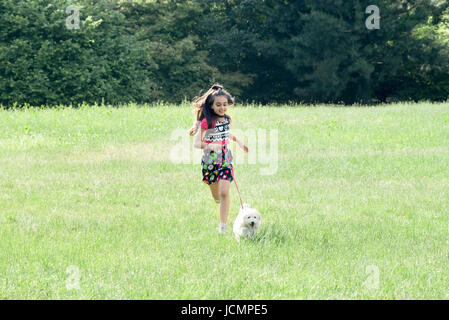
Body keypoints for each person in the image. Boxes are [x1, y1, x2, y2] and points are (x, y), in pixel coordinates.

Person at [191, 83, 249, 234]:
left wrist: (239, 142)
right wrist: (211, 146)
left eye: (225, 104)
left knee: (224, 192)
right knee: (217, 195)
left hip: (225, 159)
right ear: (211, 106)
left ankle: (223, 227)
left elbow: (225, 134)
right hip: (210, 161)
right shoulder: (207, 122)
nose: (222, 108)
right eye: (218, 105)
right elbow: (197, 143)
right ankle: (218, 199)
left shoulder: (227, 120)